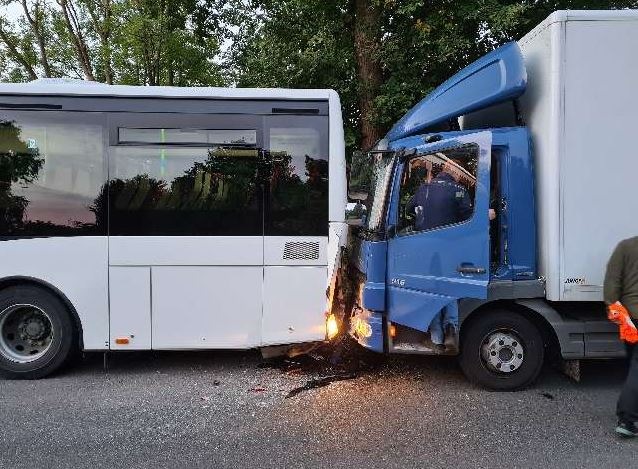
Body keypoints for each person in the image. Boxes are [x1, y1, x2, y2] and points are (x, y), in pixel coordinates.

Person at [604, 236, 638, 437]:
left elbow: (612, 282)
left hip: (630, 317)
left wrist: (615, 311)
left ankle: (629, 417)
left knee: (633, 364)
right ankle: (627, 419)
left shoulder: (626, 246)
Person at [406, 158, 473, 232]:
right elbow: (468, 216)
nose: (460, 178)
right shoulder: (459, 191)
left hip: (421, 238)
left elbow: (409, 209)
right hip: (448, 239)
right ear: (457, 172)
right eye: (461, 175)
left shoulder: (423, 187)